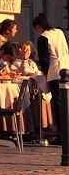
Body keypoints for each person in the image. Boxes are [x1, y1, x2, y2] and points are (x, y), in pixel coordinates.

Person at [34, 14, 69, 145]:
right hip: (67, 67)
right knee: (66, 103)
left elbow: (44, 59)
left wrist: (44, 72)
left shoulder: (43, 37)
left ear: (38, 26)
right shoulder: (59, 32)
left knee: (58, 105)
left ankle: (61, 136)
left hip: (54, 72)